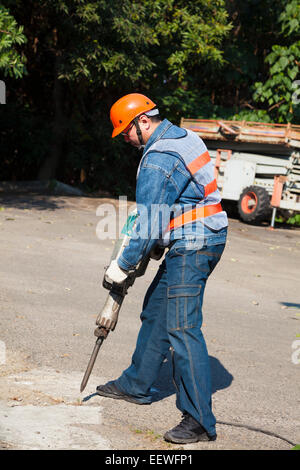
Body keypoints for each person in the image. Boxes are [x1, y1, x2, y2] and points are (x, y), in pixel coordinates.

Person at [96, 93, 228, 444]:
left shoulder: (158, 157)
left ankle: (199, 421)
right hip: (198, 236)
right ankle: (137, 384)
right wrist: (157, 243)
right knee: (157, 311)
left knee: (183, 327)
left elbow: (150, 219)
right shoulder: (181, 136)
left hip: (195, 244)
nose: (124, 138)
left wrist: (122, 267)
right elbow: (178, 200)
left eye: (125, 130)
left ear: (143, 122)